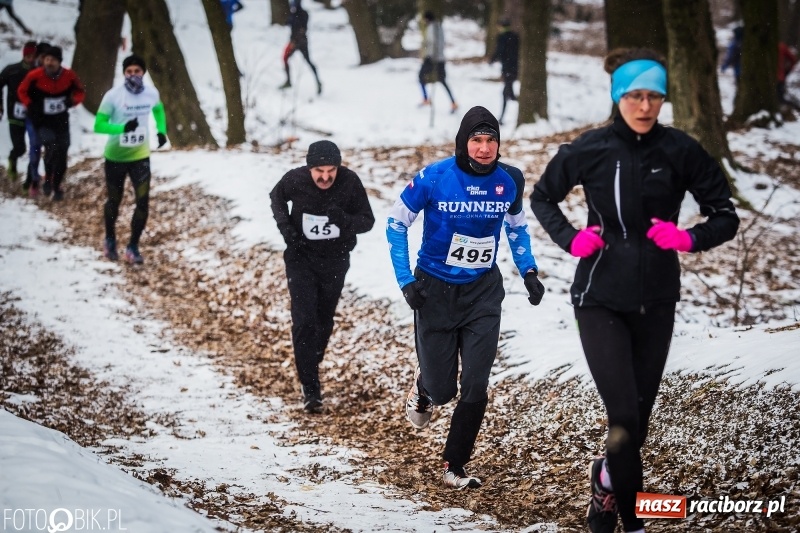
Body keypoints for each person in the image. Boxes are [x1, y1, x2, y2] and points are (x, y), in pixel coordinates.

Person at [530, 48, 739, 533]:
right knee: (622, 416)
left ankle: (606, 480)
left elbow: (725, 214)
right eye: (635, 96)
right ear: (618, 97)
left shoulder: (681, 151)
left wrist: (690, 237)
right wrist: (571, 239)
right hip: (598, 298)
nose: (645, 106)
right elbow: (543, 196)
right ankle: (632, 522)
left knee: (637, 426)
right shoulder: (591, 148)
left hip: (657, 301)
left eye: (654, 96)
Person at [386, 106, 545, 489]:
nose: (485, 148)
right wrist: (406, 281)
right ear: (464, 142)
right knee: (444, 391)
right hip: (434, 290)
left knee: (476, 383)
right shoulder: (435, 177)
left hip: (482, 293)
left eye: (491, 140)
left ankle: (453, 465)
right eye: (477, 140)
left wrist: (529, 271)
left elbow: (516, 227)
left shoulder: (510, 180)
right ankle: (425, 387)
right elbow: (396, 224)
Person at [270, 140, 375, 413]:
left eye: (331, 171)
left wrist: (345, 221)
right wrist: (286, 229)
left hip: (335, 260)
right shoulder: (295, 180)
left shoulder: (350, 182)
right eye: (320, 171)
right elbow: (276, 197)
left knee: (323, 319)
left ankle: (311, 359)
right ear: (310, 168)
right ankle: (310, 386)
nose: (326, 177)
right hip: (301, 258)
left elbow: (368, 220)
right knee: (304, 320)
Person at [93, 54, 168, 265]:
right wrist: (121, 128)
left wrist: (161, 131)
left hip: (140, 156)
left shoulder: (151, 93)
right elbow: (98, 125)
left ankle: (133, 246)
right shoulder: (113, 96)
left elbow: (159, 110)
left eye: (137, 71)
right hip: (115, 157)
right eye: (129, 71)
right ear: (124, 73)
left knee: (143, 202)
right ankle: (110, 239)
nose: (133, 75)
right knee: (114, 201)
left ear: (143, 72)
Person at [17, 45, 85, 201]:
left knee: (62, 153)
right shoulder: (35, 75)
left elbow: (80, 91)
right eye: (47, 59)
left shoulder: (69, 75)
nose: (49, 63)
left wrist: (73, 101)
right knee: (51, 147)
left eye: (53, 60)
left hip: (61, 120)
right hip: (42, 120)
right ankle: (48, 179)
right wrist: (30, 105)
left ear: (59, 62)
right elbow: (21, 91)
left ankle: (56, 184)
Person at [0, 41, 36, 182]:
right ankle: (13, 159)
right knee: (20, 148)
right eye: (28, 56)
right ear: (24, 55)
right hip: (15, 114)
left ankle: (31, 179)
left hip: (34, 116)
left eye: (33, 56)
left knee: (35, 148)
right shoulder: (12, 70)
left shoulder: (39, 72)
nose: (31, 59)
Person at [20, 41, 50, 195]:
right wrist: (29, 104)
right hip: (32, 117)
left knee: (49, 149)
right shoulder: (30, 73)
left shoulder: (55, 72)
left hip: (50, 118)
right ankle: (33, 180)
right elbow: (21, 91)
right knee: (35, 148)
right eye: (42, 56)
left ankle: (45, 179)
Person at [418, 11, 457, 113]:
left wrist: (428, 56)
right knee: (442, 80)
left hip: (432, 59)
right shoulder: (438, 27)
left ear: (427, 19)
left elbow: (433, 43)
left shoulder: (432, 28)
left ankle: (426, 99)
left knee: (421, 77)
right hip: (440, 59)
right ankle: (453, 102)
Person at [280, 0, 322, 95]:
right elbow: (287, 23)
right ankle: (288, 81)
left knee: (307, 61)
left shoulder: (302, 14)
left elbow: (303, 29)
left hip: (300, 41)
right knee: (285, 58)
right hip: (296, 41)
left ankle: (318, 82)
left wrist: (295, 41)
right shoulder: (293, 13)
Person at [489, 19, 519, 125]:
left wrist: (492, 59)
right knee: (509, 93)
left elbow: (500, 51)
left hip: (507, 68)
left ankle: (501, 118)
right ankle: (504, 116)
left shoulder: (502, 37)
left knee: (505, 92)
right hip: (515, 67)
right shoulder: (515, 36)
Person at [777, 41, 798, 109]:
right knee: (780, 99)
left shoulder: (780, 47)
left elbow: (792, 58)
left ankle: (795, 108)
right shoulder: (781, 46)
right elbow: (792, 59)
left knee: (780, 99)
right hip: (779, 77)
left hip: (777, 78)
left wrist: (788, 70)